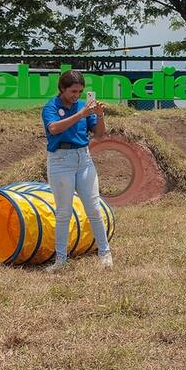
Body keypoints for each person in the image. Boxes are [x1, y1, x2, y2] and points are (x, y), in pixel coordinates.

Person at [41, 69, 113, 272]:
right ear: (62, 89)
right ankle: (61, 259)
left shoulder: (83, 106)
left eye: (80, 91)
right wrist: (81, 114)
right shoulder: (51, 107)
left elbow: (99, 135)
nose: (77, 95)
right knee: (63, 212)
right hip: (60, 160)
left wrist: (99, 116)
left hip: (84, 158)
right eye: (73, 91)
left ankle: (105, 253)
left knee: (94, 207)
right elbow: (53, 128)